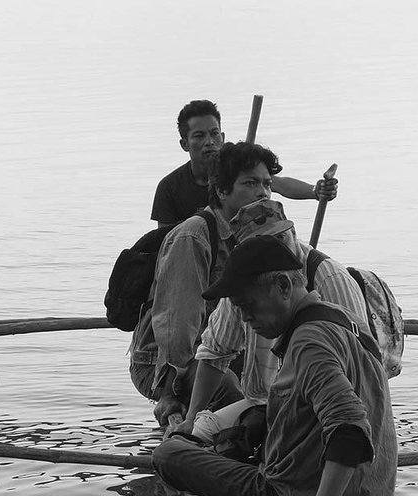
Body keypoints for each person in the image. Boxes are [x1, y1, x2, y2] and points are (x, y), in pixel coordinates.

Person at [152, 234, 397, 496]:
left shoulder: (309, 342)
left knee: (170, 454)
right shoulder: (344, 320)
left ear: (284, 286)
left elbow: (349, 430)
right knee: (251, 426)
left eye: (248, 305)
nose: (245, 318)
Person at [131, 142, 334, 428]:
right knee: (233, 395)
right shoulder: (193, 237)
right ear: (222, 191)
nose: (262, 192)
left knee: (271, 386)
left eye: (266, 184)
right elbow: (177, 324)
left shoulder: (258, 236)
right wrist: (169, 391)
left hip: (216, 344)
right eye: (250, 184)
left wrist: (315, 192)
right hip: (161, 363)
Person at [171, 198, 367, 451]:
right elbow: (215, 352)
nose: (275, 251)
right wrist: (190, 419)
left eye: (280, 239)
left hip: (319, 407)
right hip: (264, 403)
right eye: (261, 246)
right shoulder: (244, 286)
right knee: (187, 444)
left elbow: (357, 382)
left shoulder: (329, 279)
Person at [151, 99, 338, 228]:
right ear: (185, 144)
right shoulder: (169, 187)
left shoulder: (237, 169)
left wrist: (316, 191)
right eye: (199, 136)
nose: (209, 142)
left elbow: (278, 183)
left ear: (222, 137)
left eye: (214, 134)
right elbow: (165, 241)